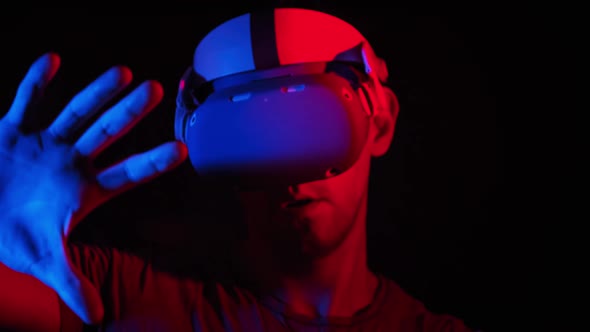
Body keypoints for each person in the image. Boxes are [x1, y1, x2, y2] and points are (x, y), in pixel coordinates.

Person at [0, 7, 477, 332]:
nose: (289, 172)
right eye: (249, 137)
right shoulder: (109, 289)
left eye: (315, 123)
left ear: (380, 123)